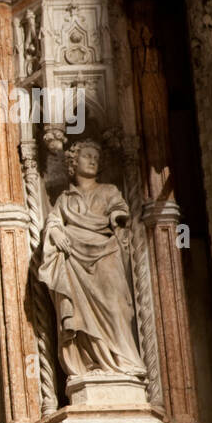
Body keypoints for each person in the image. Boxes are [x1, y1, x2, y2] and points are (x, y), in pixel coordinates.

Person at [38, 140, 146, 379]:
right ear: (73, 163)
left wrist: (119, 216)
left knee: (117, 305)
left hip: (106, 254)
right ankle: (91, 363)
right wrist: (55, 231)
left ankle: (124, 360)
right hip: (75, 261)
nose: (92, 160)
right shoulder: (65, 199)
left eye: (96, 157)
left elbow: (120, 210)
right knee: (80, 313)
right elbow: (54, 221)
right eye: (87, 156)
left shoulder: (108, 191)